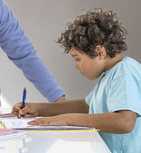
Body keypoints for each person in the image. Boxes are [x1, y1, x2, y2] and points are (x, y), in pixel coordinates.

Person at [12, 8, 141, 153]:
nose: (76, 66)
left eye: (77, 59)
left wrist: (69, 119)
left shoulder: (125, 72)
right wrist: (38, 108)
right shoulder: (110, 74)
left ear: (100, 52)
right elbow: (86, 106)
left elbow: (125, 122)